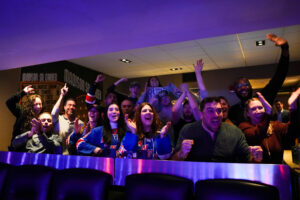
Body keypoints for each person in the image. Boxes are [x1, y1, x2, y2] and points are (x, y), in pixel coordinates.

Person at [172, 97, 262, 163]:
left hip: (225, 181)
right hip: (197, 181)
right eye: (210, 111)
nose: (216, 115)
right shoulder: (188, 130)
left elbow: (247, 160)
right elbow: (173, 161)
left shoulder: (235, 132)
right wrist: (181, 153)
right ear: (201, 115)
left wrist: (256, 158)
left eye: (219, 110)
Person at [228, 34, 290, 126]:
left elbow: (279, 77)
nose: (243, 88)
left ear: (251, 87)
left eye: (245, 85)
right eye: (239, 87)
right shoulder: (233, 111)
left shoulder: (263, 97)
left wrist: (285, 48)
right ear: (235, 90)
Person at [239, 91, 298, 164]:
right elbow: (257, 133)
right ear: (247, 113)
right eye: (253, 109)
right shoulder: (244, 126)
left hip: (276, 169)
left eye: (260, 107)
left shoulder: (275, 125)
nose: (258, 111)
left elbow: (293, 131)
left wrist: (293, 108)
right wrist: (267, 114)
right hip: (255, 170)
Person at [6, 85, 43, 151]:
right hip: (17, 148)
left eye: (40, 104)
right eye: (36, 104)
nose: (38, 106)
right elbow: (9, 103)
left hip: (31, 151)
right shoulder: (22, 112)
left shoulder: (41, 118)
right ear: (30, 105)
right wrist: (23, 93)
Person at [51, 84, 83, 155]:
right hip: (58, 155)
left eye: (74, 106)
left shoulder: (80, 123)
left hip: (74, 157)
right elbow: (53, 113)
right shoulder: (58, 119)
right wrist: (61, 96)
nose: (71, 107)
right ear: (64, 107)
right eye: (69, 105)